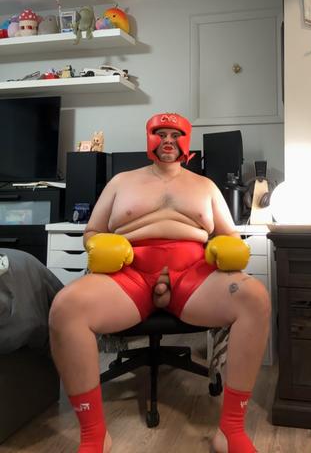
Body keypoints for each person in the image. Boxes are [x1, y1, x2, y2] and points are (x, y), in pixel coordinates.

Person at [49, 112, 271, 453]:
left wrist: (225, 247)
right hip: (130, 273)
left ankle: (230, 431)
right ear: (149, 138)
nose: (168, 140)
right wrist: (102, 245)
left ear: (186, 142)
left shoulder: (206, 186)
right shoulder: (121, 182)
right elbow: (92, 230)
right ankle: (94, 436)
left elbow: (227, 233)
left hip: (192, 275)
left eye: (175, 134)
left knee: (254, 297)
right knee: (66, 306)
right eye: (161, 133)